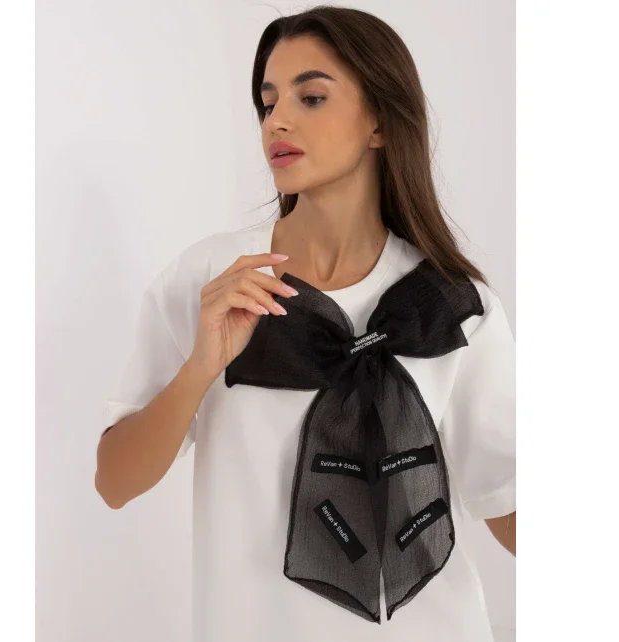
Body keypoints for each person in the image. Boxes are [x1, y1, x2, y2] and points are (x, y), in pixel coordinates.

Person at [95, 6, 515, 641]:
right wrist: (202, 366)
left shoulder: (453, 306)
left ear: (380, 121)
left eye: (311, 97)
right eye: (268, 104)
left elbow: (509, 500)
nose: (277, 121)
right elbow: (114, 482)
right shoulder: (211, 281)